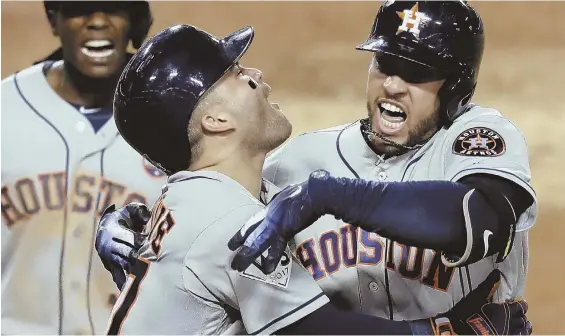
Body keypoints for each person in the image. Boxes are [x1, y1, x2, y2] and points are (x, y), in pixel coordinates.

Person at [100, 23, 531, 335]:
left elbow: (480, 219)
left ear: (456, 86)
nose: (395, 84)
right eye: (385, 64)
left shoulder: (475, 139)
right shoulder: (269, 187)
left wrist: (135, 226)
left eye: (417, 73)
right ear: (214, 119)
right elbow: (309, 330)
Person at [0, 2, 166, 334]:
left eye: (114, 8)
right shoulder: (6, 109)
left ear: (132, 20)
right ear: (53, 19)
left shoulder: (170, 118)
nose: (97, 22)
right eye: (80, 8)